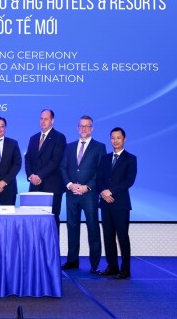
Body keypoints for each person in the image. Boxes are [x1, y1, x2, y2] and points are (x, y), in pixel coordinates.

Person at [59, 115, 107, 273]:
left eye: (87, 126)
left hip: (89, 195)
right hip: (72, 193)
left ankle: (95, 264)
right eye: (81, 126)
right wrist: (70, 185)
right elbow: (63, 168)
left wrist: (88, 187)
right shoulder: (69, 147)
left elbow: (101, 171)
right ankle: (72, 261)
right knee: (72, 227)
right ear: (77, 128)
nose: (84, 128)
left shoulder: (99, 147)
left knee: (93, 227)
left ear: (92, 128)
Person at [97, 127, 138, 279]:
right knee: (108, 237)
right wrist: (103, 192)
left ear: (124, 139)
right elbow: (98, 178)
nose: (115, 141)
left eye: (118, 138)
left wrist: (111, 192)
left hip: (120, 204)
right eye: (113, 138)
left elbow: (129, 181)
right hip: (105, 203)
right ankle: (112, 267)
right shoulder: (105, 158)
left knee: (122, 237)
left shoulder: (130, 158)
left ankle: (125, 270)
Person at [25, 109, 67, 235]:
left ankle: (53, 247)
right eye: (41, 119)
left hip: (52, 186)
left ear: (52, 121)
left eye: (46, 119)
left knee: (51, 220)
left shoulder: (59, 137)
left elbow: (55, 161)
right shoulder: (33, 138)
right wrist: (30, 176)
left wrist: (39, 176)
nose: (43, 121)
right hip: (34, 186)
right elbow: (27, 159)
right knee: (34, 220)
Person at [0, 116, 22, 206]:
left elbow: (17, 164)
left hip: (9, 189)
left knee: (8, 215)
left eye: (2, 126)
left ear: (5, 128)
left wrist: (4, 181)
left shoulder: (13, 143)